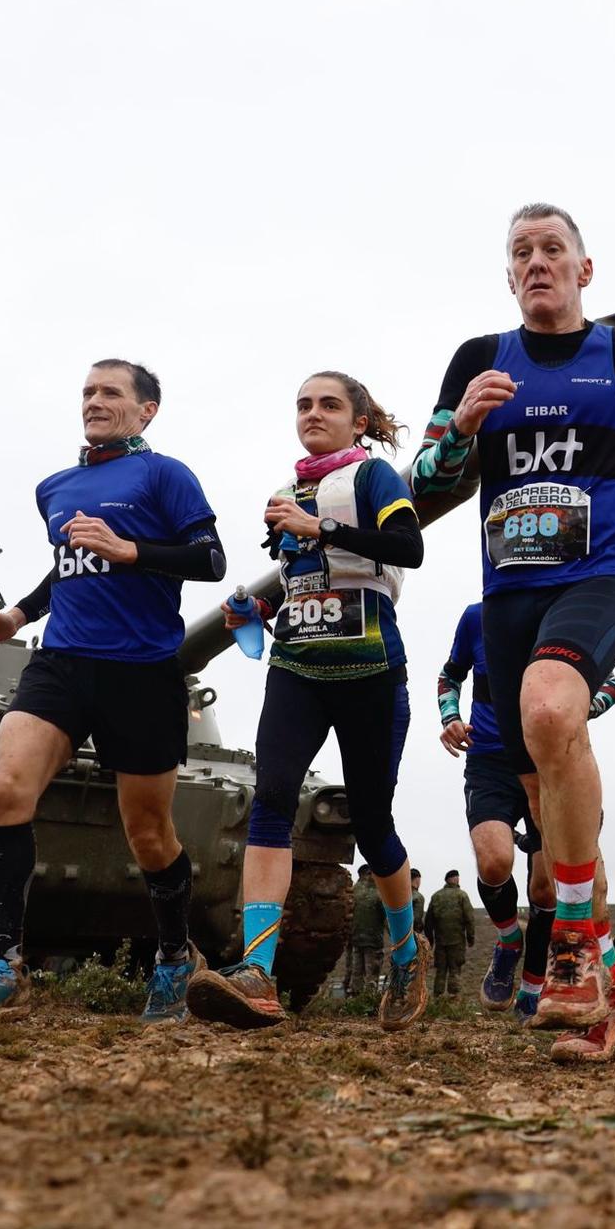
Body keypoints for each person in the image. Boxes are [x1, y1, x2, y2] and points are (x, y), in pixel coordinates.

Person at [409, 203, 615, 1064]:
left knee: (551, 710)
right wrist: (463, 427)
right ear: (508, 277)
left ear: (586, 270)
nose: (537, 263)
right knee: (547, 823)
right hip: (507, 597)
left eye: (554, 250)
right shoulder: (479, 362)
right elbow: (423, 476)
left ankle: (579, 956)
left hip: (601, 576)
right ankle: (601, 998)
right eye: (521, 254)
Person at [0, 360, 224, 1024]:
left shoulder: (165, 475)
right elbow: (68, 565)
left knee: (148, 833)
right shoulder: (56, 486)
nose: (94, 401)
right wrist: (16, 616)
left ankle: (177, 956)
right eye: (88, 392)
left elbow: (210, 560)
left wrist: (133, 551)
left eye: (110, 392)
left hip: (144, 672)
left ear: (145, 410)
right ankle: (3, 967)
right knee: (7, 787)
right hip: (60, 662)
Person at [186, 372, 429, 1032]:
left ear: (358, 421)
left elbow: (409, 549)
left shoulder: (374, 479)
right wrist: (255, 606)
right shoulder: (282, 493)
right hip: (297, 667)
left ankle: (407, 954)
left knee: (373, 828)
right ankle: (257, 971)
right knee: (270, 800)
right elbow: (304, 576)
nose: (312, 413)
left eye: (328, 404)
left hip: (372, 668)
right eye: (303, 405)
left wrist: (319, 526)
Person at [437, 601, 615, 1023]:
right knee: (494, 859)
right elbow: (450, 675)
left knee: (545, 890)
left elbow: (611, 684)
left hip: (549, 764)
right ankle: (507, 942)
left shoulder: (565, 617)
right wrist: (450, 717)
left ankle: (533, 989)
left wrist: (573, 711)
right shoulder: (476, 617)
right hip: (490, 763)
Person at [425, 869, 478, 998]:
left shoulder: (436, 896)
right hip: (457, 941)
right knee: (455, 968)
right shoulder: (462, 896)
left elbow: (428, 921)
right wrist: (470, 937)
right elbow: (469, 918)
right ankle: (453, 997)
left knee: (441, 969)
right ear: (453, 879)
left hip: (440, 941)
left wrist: (430, 940)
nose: (458, 879)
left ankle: (438, 995)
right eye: (456, 877)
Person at [347, 864, 384, 996]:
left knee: (356, 971)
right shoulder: (378, 893)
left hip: (355, 938)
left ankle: (353, 997)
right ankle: (369, 999)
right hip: (373, 940)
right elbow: (386, 917)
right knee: (372, 972)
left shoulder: (353, 891)